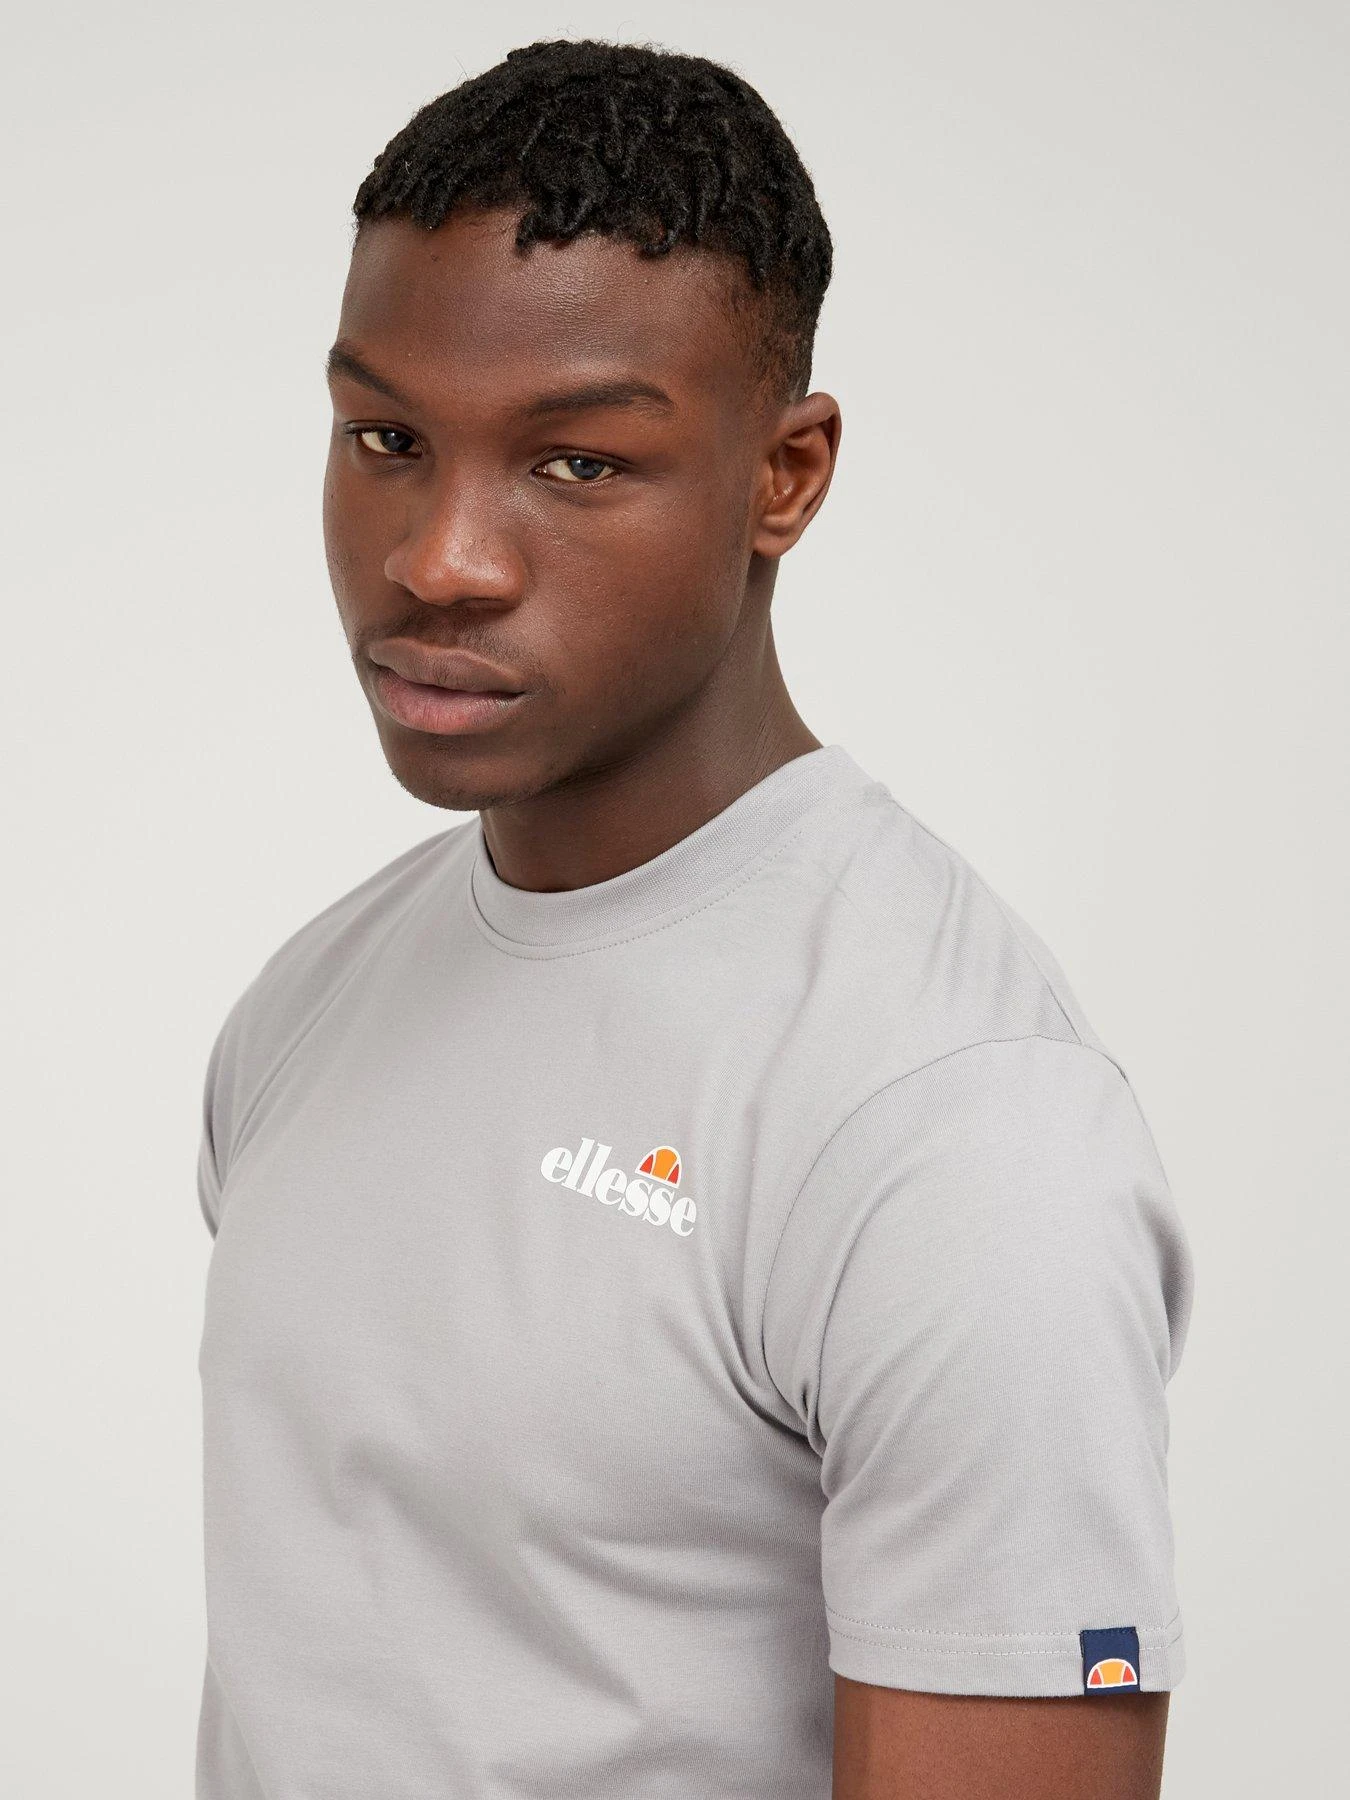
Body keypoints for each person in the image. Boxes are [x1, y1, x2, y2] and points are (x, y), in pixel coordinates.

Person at [193, 38, 1193, 1800]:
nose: (439, 559)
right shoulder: (312, 1001)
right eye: (386, 440)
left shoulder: (953, 1120)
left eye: (576, 463)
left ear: (783, 476)